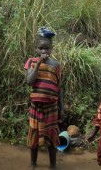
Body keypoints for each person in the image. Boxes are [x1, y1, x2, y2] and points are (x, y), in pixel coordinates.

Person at [24, 27, 64, 169]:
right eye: (41, 48)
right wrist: (39, 64)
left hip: (51, 108)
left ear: (51, 49)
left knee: (52, 138)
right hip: (36, 108)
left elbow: (59, 88)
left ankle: (52, 165)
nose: (43, 51)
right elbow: (29, 81)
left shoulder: (56, 65)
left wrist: (62, 108)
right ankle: (33, 163)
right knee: (33, 136)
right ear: (36, 49)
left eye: (46, 48)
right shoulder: (32, 62)